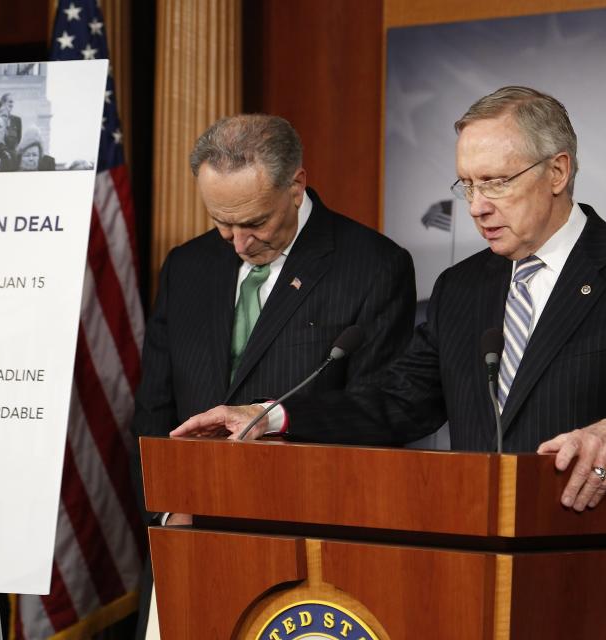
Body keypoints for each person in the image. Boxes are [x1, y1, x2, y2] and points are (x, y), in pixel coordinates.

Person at [174, 87, 606, 514]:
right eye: (467, 185)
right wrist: (271, 416)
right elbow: (396, 402)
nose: (477, 207)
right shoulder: (462, 288)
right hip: (475, 554)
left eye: (495, 183)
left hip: (590, 556)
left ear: (557, 172)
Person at [130, 113, 416, 639]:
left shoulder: (372, 266)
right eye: (221, 222)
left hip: (307, 557)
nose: (238, 242)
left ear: (296, 185)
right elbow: (154, 407)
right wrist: (169, 512)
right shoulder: (187, 267)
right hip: (186, 541)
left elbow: (381, 413)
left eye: (255, 222)